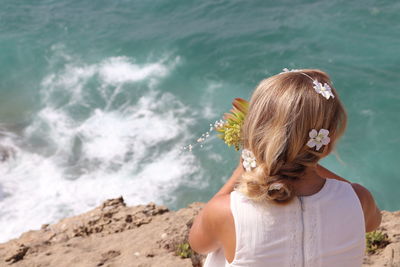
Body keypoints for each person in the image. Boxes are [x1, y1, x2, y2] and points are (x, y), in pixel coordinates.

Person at [188, 69, 382, 267]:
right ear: (327, 139)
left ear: (255, 132)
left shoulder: (225, 211)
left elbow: (198, 244)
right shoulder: (359, 199)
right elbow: (373, 221)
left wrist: (239, 171)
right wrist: (306, 159)